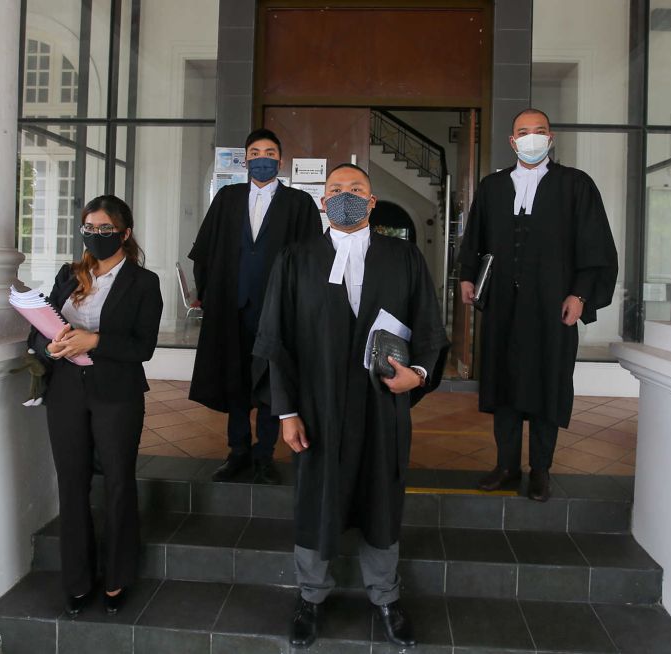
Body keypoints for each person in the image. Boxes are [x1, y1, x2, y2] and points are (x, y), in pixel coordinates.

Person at [253, 164, 449, 649]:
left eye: (355, 189)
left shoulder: (403, 257)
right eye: (336, 189)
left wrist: (418, 375)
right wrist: (286, 411)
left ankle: (385, 595)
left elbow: (428, 328)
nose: (346, 196)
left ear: (372, 201)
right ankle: (310, 595)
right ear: (322, 201)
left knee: (381, 497)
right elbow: (276, 341)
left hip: (382, 407)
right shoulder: (296, 258)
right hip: (316, 410)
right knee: (315, 498)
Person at [458, 108, 618, 502]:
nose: (531, 138)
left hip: (553, 306)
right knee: (504, 385)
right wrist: (466, 276)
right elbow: (474, 238)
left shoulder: (575, 185)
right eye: (523, 132)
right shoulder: (493, 186)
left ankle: (541, 470)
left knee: (549, 384)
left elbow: (594, 246)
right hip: (503, 307)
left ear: (551, 138)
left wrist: (579, 295)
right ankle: (507, 465)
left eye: (539, 131)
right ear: (512, 142)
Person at [28, 195, 163, 616]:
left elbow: (144, 346)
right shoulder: (69, 274)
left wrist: (96, 341)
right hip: (65, 391)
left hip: (116, 392)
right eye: (89, 227)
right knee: (71, 485)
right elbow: (40, 330)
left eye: (106, 229)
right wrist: (48, 346)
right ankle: (78, 579)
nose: (96, 236)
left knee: (119, 483)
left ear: (125, 234)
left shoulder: (144, 282)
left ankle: (118, 576)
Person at [188, 128, 322, 484]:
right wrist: (207, 295)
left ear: (280, 159)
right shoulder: (227, 198)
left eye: (270, 152)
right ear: (246, 158)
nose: (262, 157)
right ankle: (238, 452)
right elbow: (204, 253)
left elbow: (311, 260)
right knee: (233, 380)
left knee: (270, 380)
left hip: (277, 310)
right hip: (230, 308)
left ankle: (264, 454)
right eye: (256, 151)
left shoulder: (299, 204)